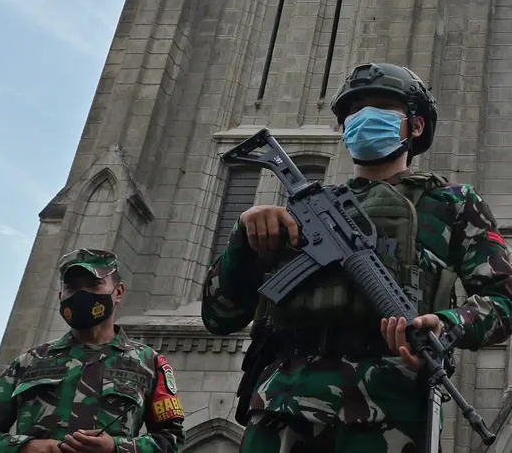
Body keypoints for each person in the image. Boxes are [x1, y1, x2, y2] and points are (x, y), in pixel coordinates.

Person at [201, 62, 512, 453]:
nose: (364, 118)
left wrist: (447, 325)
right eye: (354, 112)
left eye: (382, 107)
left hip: (383, 417)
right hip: (280, 411)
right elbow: (219, 316)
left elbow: (504, 303)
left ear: (415, 126)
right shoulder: (302, 212)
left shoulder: (452, 204)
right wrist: (242, 242)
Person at [0, 248, 186, 453]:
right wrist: (26, 447)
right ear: (61, 295)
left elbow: (172, 439)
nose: (81, 295)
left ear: (119, 292)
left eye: (94, 285)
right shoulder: (28, 362)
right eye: (72, 287)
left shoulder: (149, 363)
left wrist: (116, 448)